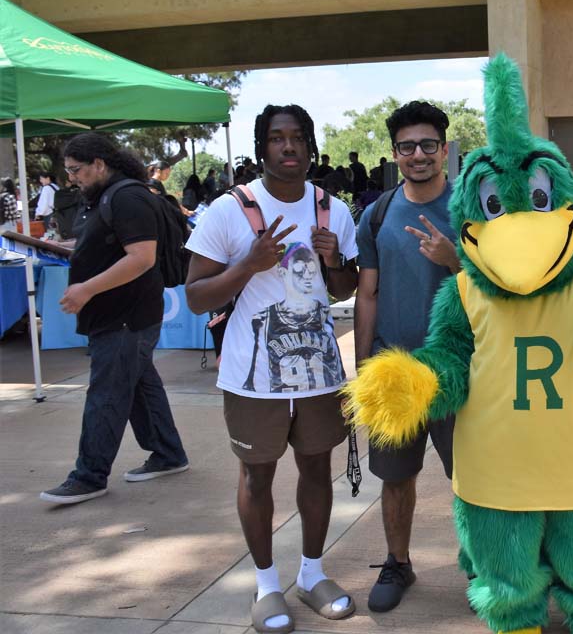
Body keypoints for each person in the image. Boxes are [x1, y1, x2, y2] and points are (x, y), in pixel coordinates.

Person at [184, 104, 360, 633]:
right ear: (262, 148)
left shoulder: (335, 210)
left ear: (311, 147)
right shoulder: (227, 211)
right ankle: (265, 586)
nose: (289, 147)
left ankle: (310, 574)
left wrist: (335, 263)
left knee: (315, 468)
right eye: (278, 138)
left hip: (319, 372)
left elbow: (346, 290)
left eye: (299, 138)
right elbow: (194, 297)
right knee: (257, 475)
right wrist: (248, 266)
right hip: (251, 375)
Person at [39, 134, 190, 505]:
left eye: (76, 170)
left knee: (106, 393)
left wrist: (86, 288)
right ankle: (168, 453)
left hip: (126, 315)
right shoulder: (107, 197)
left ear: (99, 165)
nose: (72, 178)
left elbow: (141, 257)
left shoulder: (126, 197)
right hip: (123, 314)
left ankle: (89, 476)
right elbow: (107, 244)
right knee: (139, 384)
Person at [354, 100, 460, 613]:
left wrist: (453, 258)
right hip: (393, 369)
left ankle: (486, 564)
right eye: (406, 146)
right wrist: (362, 370)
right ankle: (398, 562)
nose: (418, 155)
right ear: (394, 152)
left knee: (475, 477)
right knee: (395, 478)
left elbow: (503, 285)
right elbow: (367, 294)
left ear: (444, 148)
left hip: (459, 371)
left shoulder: (473, 206)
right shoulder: (377, 213)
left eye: (427, 145)